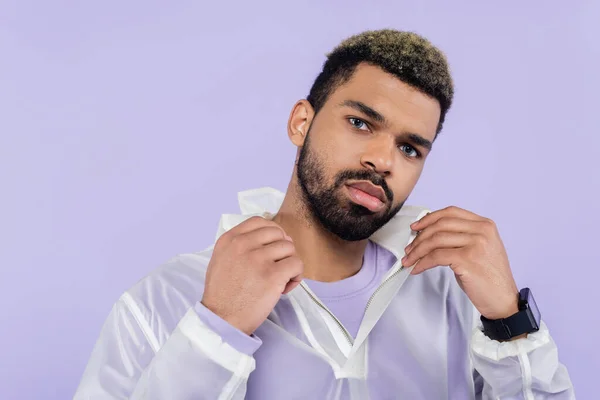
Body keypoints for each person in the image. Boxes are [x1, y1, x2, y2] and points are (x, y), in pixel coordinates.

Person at [74, 29, 574, 399]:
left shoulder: (456, 298)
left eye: (410, 148)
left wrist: (509, 322)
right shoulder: (166, 300)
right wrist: (215, 331)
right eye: (360, 123)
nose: (383, 160)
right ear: (301, 122)